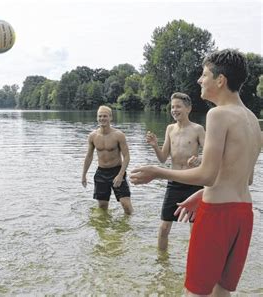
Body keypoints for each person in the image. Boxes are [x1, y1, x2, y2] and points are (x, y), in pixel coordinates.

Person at [130, 49, 261, 296]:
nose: (200, 80)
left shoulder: (218, 114)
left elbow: (207, 176)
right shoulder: (252, 119)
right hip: (243, 214)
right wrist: (202, 195)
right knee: (221, 292)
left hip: (218, 215)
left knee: (195, 292)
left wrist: (157, 172)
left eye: (204, 75)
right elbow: (246, 177)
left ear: (220, 80)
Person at [145, 92, 205, 251]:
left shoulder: (198, 129)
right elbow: (163, 158)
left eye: (178, 106)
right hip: (174, 184)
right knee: (164, 228)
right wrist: (154, 146)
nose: (174, 110)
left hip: (194, 182)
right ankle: (163, 265)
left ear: (188, 108)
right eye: (172, 107)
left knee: (195, 229)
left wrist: (200, 160)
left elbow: (210, 155)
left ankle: (193, 263)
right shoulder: (170, 129)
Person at [82, 105, 133, 215]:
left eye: (105, 116)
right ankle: (104, 229)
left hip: (117, 171)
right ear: (97, 118)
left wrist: (120, 175)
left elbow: (127, 156)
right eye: (100, 116)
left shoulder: (118, 135)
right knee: (102, 207)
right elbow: (89, 156)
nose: (102, 118)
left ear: (110, 117)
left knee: (126, 206)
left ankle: (128, 229)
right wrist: (83, 175)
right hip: (101, 173)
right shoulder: (93, 136)